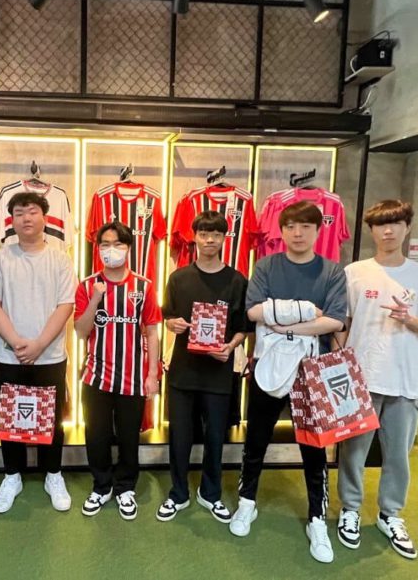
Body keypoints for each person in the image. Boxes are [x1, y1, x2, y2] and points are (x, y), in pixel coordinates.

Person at [232, 201, 347, 564]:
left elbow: (334, 321)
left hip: (312, 370)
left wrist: (283, 322)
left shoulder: (331, 271)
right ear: (280, 231)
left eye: (305, 227)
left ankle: (317, 519)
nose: (298, 233)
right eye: (291, 226)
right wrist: (305, 312)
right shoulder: (265, 265)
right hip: (267, 365)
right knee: (256, 440)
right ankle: (246, 502)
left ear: (318, 230)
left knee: (314, 448)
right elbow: (253, 312)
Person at [336, 200, 418, 560]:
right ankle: (350, 510)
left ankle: (390, 514)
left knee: (397, 454)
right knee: (353, 452)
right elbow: (344, 324)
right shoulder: (354, 272)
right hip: (361, 378)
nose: (388, 231)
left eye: (395, 224)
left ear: (407, 228)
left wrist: (409, 320)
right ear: (371, 230)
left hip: (405, 380)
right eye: (381, 225)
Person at [0, 192, 77, 513]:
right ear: (11, 220)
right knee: (9, 416)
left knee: (52, 418)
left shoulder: (61, 259)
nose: (26, 218)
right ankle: (12, 475)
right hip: (7, 355)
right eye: (19, 213)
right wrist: (15, 341)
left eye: (32, 211)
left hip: (49, 356)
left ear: (45, 218)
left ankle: (53, 474)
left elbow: (66, 305)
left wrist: (38, 345)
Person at [157, 211, 250, 524]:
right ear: (194, 237)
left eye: (216, 235)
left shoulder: (237, 280)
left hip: (219, 373)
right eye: (204, 234)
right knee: (180, 436)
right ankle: (178, 493)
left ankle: (210, 493)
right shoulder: (178, 278)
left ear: (225, 239)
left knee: (215, 439)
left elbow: (243, 326)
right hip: (183, 371)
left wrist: (230, 346)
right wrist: (172, 325)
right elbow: (167, 317)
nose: (210, 240)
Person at [74, 221, 161, 520]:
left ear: (129, 248)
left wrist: (152, 376)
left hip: (133, 378)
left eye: (118, 244)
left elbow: (151, 333)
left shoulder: (144, 286)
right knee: (96, 435)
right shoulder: (86, 285)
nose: (112, 250)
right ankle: (101, 486)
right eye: (106, 245)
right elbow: (81, 332)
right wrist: (96, 299)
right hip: (96, 377)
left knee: (128, 437)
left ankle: (125, 488)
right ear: (97, 249)